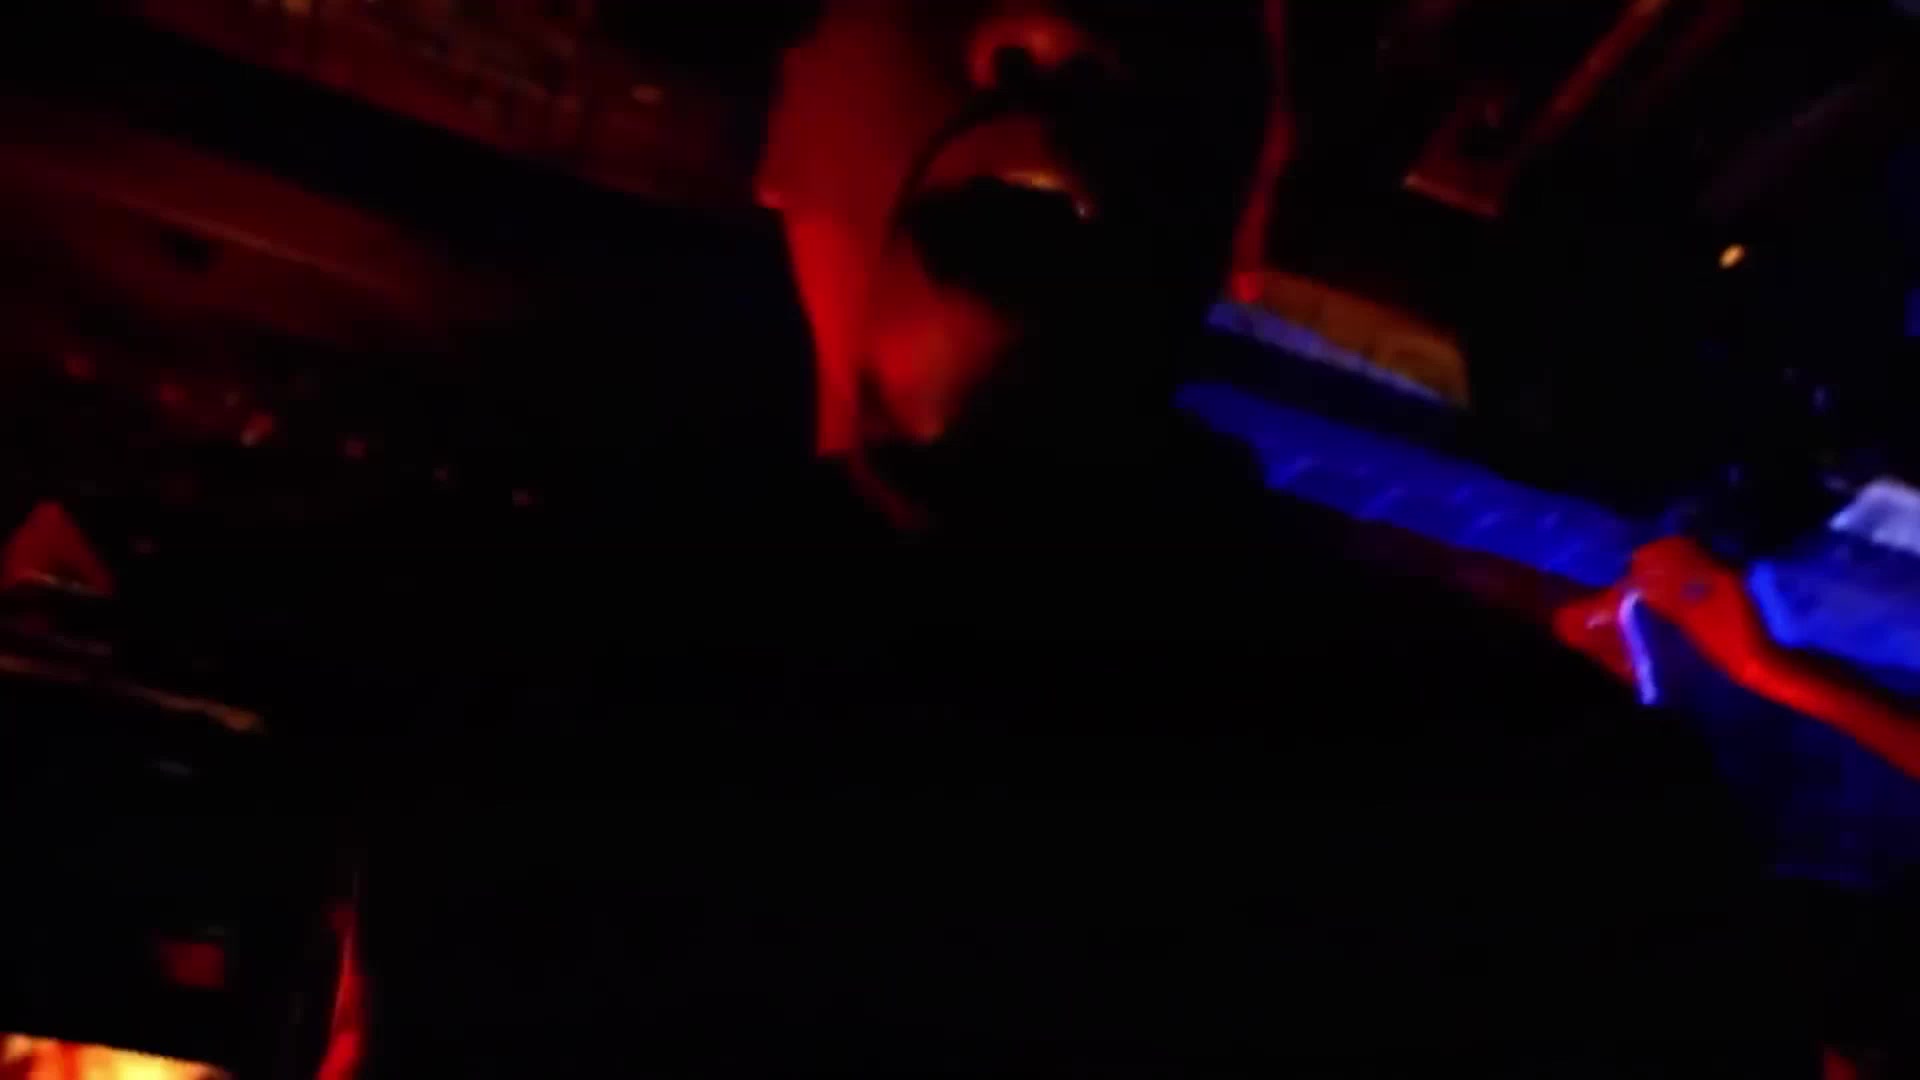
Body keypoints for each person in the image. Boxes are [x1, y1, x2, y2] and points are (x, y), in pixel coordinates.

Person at [355, 3, 1806, 1076]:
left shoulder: (1561, 834)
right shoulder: (1558, 825)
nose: (1044, 32)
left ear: (1250, 207)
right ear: (788, 139)